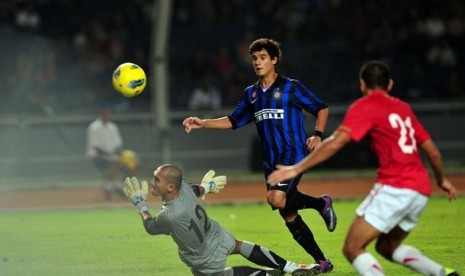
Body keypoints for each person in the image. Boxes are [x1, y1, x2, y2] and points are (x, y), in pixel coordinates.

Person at [267, 60, 459, 276]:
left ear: (362, 84)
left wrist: (295, 168)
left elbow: (336, 142)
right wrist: (442, 180)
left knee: (352, 248)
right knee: (388, 247)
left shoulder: (365, 106)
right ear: (390, 84)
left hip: (395, 187)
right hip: (421, 190)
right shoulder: (403, 108)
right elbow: (433, 152)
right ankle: (443, 273)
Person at [183, 38, 335, 273]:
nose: (257, 62)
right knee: (288, 212)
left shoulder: (291, 87)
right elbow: (233, 121)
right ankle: (322, 259)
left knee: (276, 198)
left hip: (293, 155)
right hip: (271, 162)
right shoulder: (251, 94)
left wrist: (317, 135)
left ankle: (320, 204)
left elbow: (321, 108)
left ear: (274, 60)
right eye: (254, 58)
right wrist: (203, 122)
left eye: (263, 57)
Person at [123, 164, 321, 276]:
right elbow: (194, 190)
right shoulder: (182, 186)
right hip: (217, 234)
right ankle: (290, 266)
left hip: (203, 256)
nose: (151, 182)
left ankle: (268, 275)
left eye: (157, 179)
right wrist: (206, 186)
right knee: (239, 245)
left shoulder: (169, 215)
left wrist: (140, 204)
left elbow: (150, 226)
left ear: (170, 187)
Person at [86, 107, 137, 199]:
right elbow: (95, 148)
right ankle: (108, 189)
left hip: (112, 155)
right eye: (105, 114)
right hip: (97, 156)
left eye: (109, 114)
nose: (107, 116)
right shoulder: (94, 127)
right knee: (115, 162)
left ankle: (122, 187)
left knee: (134, 163)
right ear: (101, 114)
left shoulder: (113, 127)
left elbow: (118, 145)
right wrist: (112, 156)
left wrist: (117, 154)